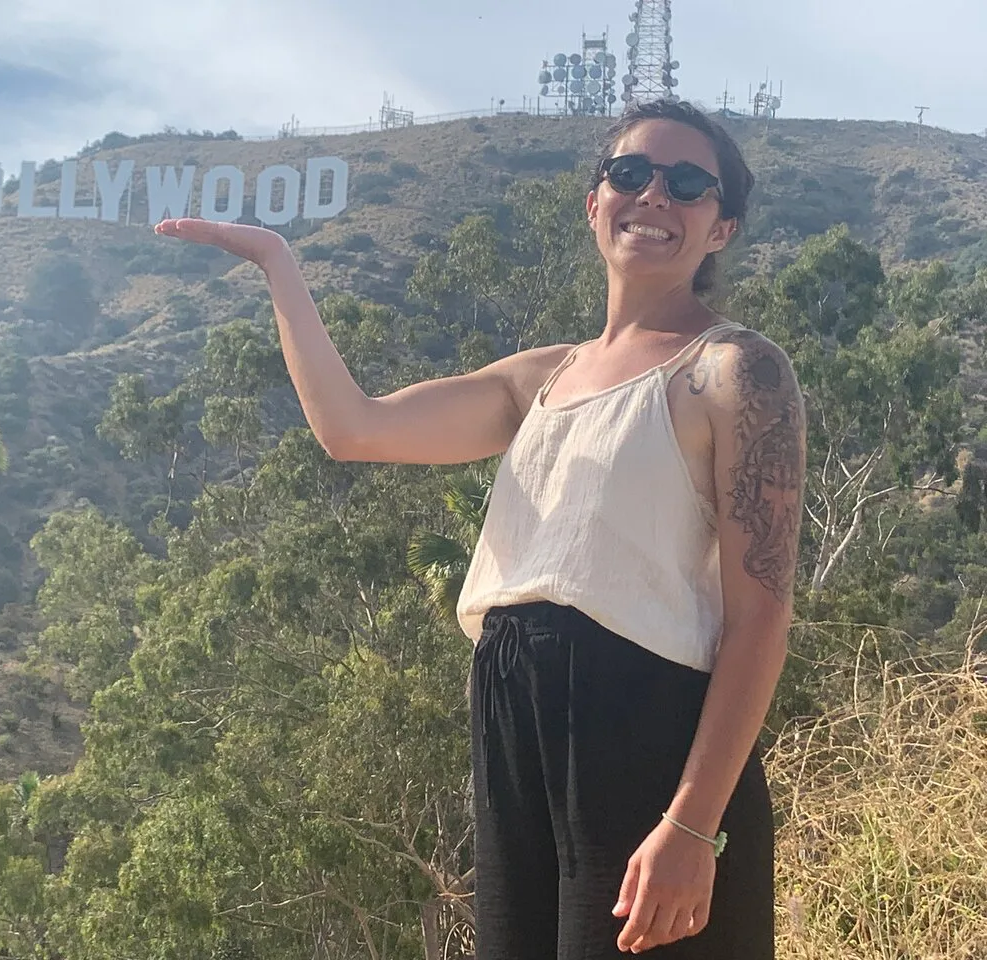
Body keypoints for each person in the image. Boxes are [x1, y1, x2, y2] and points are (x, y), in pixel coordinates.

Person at [155, 97, 805, 959]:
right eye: (631, 173)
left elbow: (760, 616)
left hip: (646, 726)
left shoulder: (732, 370)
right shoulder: (537, 380)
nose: (654, 196)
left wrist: (692, 828)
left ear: (720, 227)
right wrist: (279, 264)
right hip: (512, 719)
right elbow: (355, 428)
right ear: (593, 200)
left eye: (688, 184)